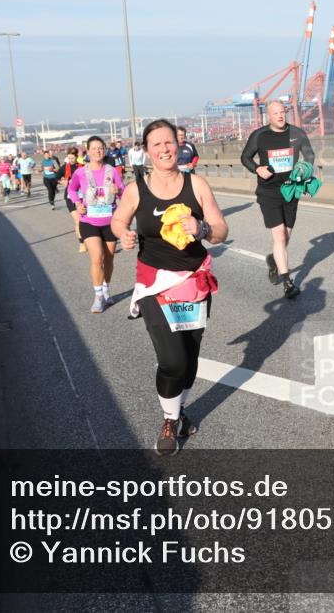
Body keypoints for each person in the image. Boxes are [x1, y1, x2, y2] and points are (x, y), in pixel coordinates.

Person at [111, 119, 228, 456]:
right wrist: (124, 234)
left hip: (193, 281)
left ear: (178, 146)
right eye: (156, 144)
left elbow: (221, 230)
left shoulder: (197, 184)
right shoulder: (137, 189)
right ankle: (169, 420)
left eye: (169, 142)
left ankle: (178, 411)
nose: (164, 149)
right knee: (173, 360)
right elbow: (118, 220)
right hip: (155, 284)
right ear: (146, 151)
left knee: (189, 358)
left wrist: (202, 228)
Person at [239, 100, 314, 299]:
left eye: (282, 112)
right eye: (275, 113)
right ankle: (287, 282)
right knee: (279, 237)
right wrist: (257, 168)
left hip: (291, 190)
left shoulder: (297, 133)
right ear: (269, 116)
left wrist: (305, 168)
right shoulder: (260, 135)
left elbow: (309, 155)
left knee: (285, 237)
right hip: (268, 191)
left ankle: (274, 260)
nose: (280, 116)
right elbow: (245, 157)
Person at [68, 136, 125, 313]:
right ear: (88, 151)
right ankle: (98, 296)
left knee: (109, 258)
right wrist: (77, 203)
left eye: (100, 148)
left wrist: (118, 190)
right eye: (94, 148)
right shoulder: (80, 172)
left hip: (110, 221)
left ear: (105, 150)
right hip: (89, 221)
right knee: (97, 257)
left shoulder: (112, 171)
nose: (97, 151)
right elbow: (71, 189)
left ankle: (106, 289)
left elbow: (124, 193)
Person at [60, 149, 85, 252]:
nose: (71, 160)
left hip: (82, 197)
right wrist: (62, 181)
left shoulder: (82, 167)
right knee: (77, 220)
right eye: (69, 158)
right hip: (69, 197)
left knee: (84, 220)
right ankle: (82, 243)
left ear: (76, 157)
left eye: (73, 158)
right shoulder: (65, 167)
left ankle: (90, 238)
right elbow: (57, 177)